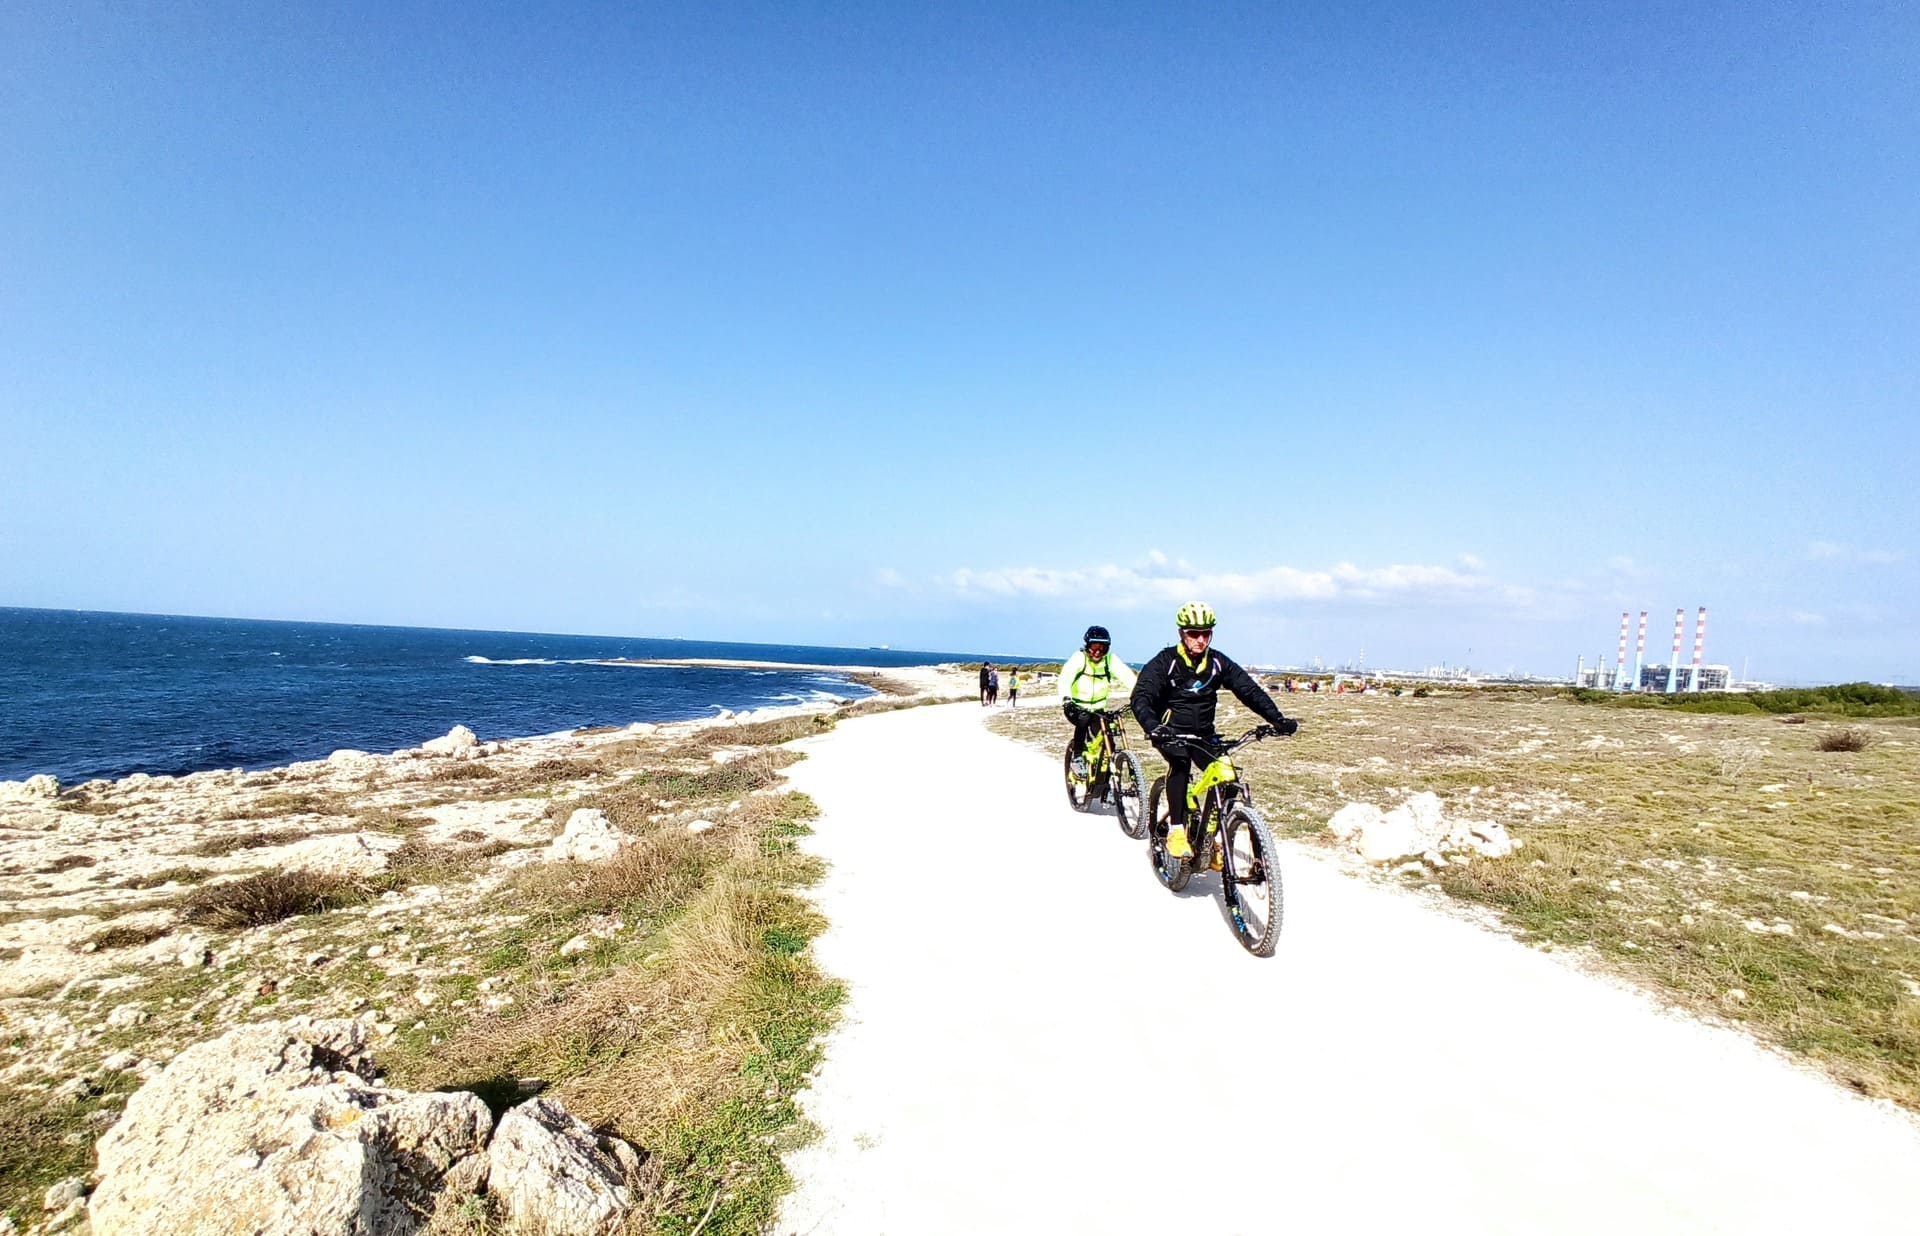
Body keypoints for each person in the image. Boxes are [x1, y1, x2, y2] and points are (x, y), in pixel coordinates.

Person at [1130, 601, 1297, 862]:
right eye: (1193, 633)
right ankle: (1176, 830)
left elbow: (1248, 690)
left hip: (1204, 735)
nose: (1200, 640)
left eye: (1206, 633)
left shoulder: (1217, 662)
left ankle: (1208, 837)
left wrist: (1277, 719)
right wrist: (1153, 726)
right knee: (1180, 763)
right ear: (1181, 633)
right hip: (1169, 732)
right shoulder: (1166, 661)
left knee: (1226, 774)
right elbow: (1141, 697)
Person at [1059, 624, 1138, 784]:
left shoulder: (1110, 660)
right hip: (1076, 707)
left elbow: (1127, 677)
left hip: (1098, 709)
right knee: (1083, 719)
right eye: (1094, 647)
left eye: (1102, 648)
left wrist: (1139, 694)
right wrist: (1066, 699)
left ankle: (1107, 785)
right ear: (1087, 646)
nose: (1097, 652)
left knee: (1109, 743)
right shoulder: (1079, 658)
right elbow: (1065, 678)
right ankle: (1077, 757)